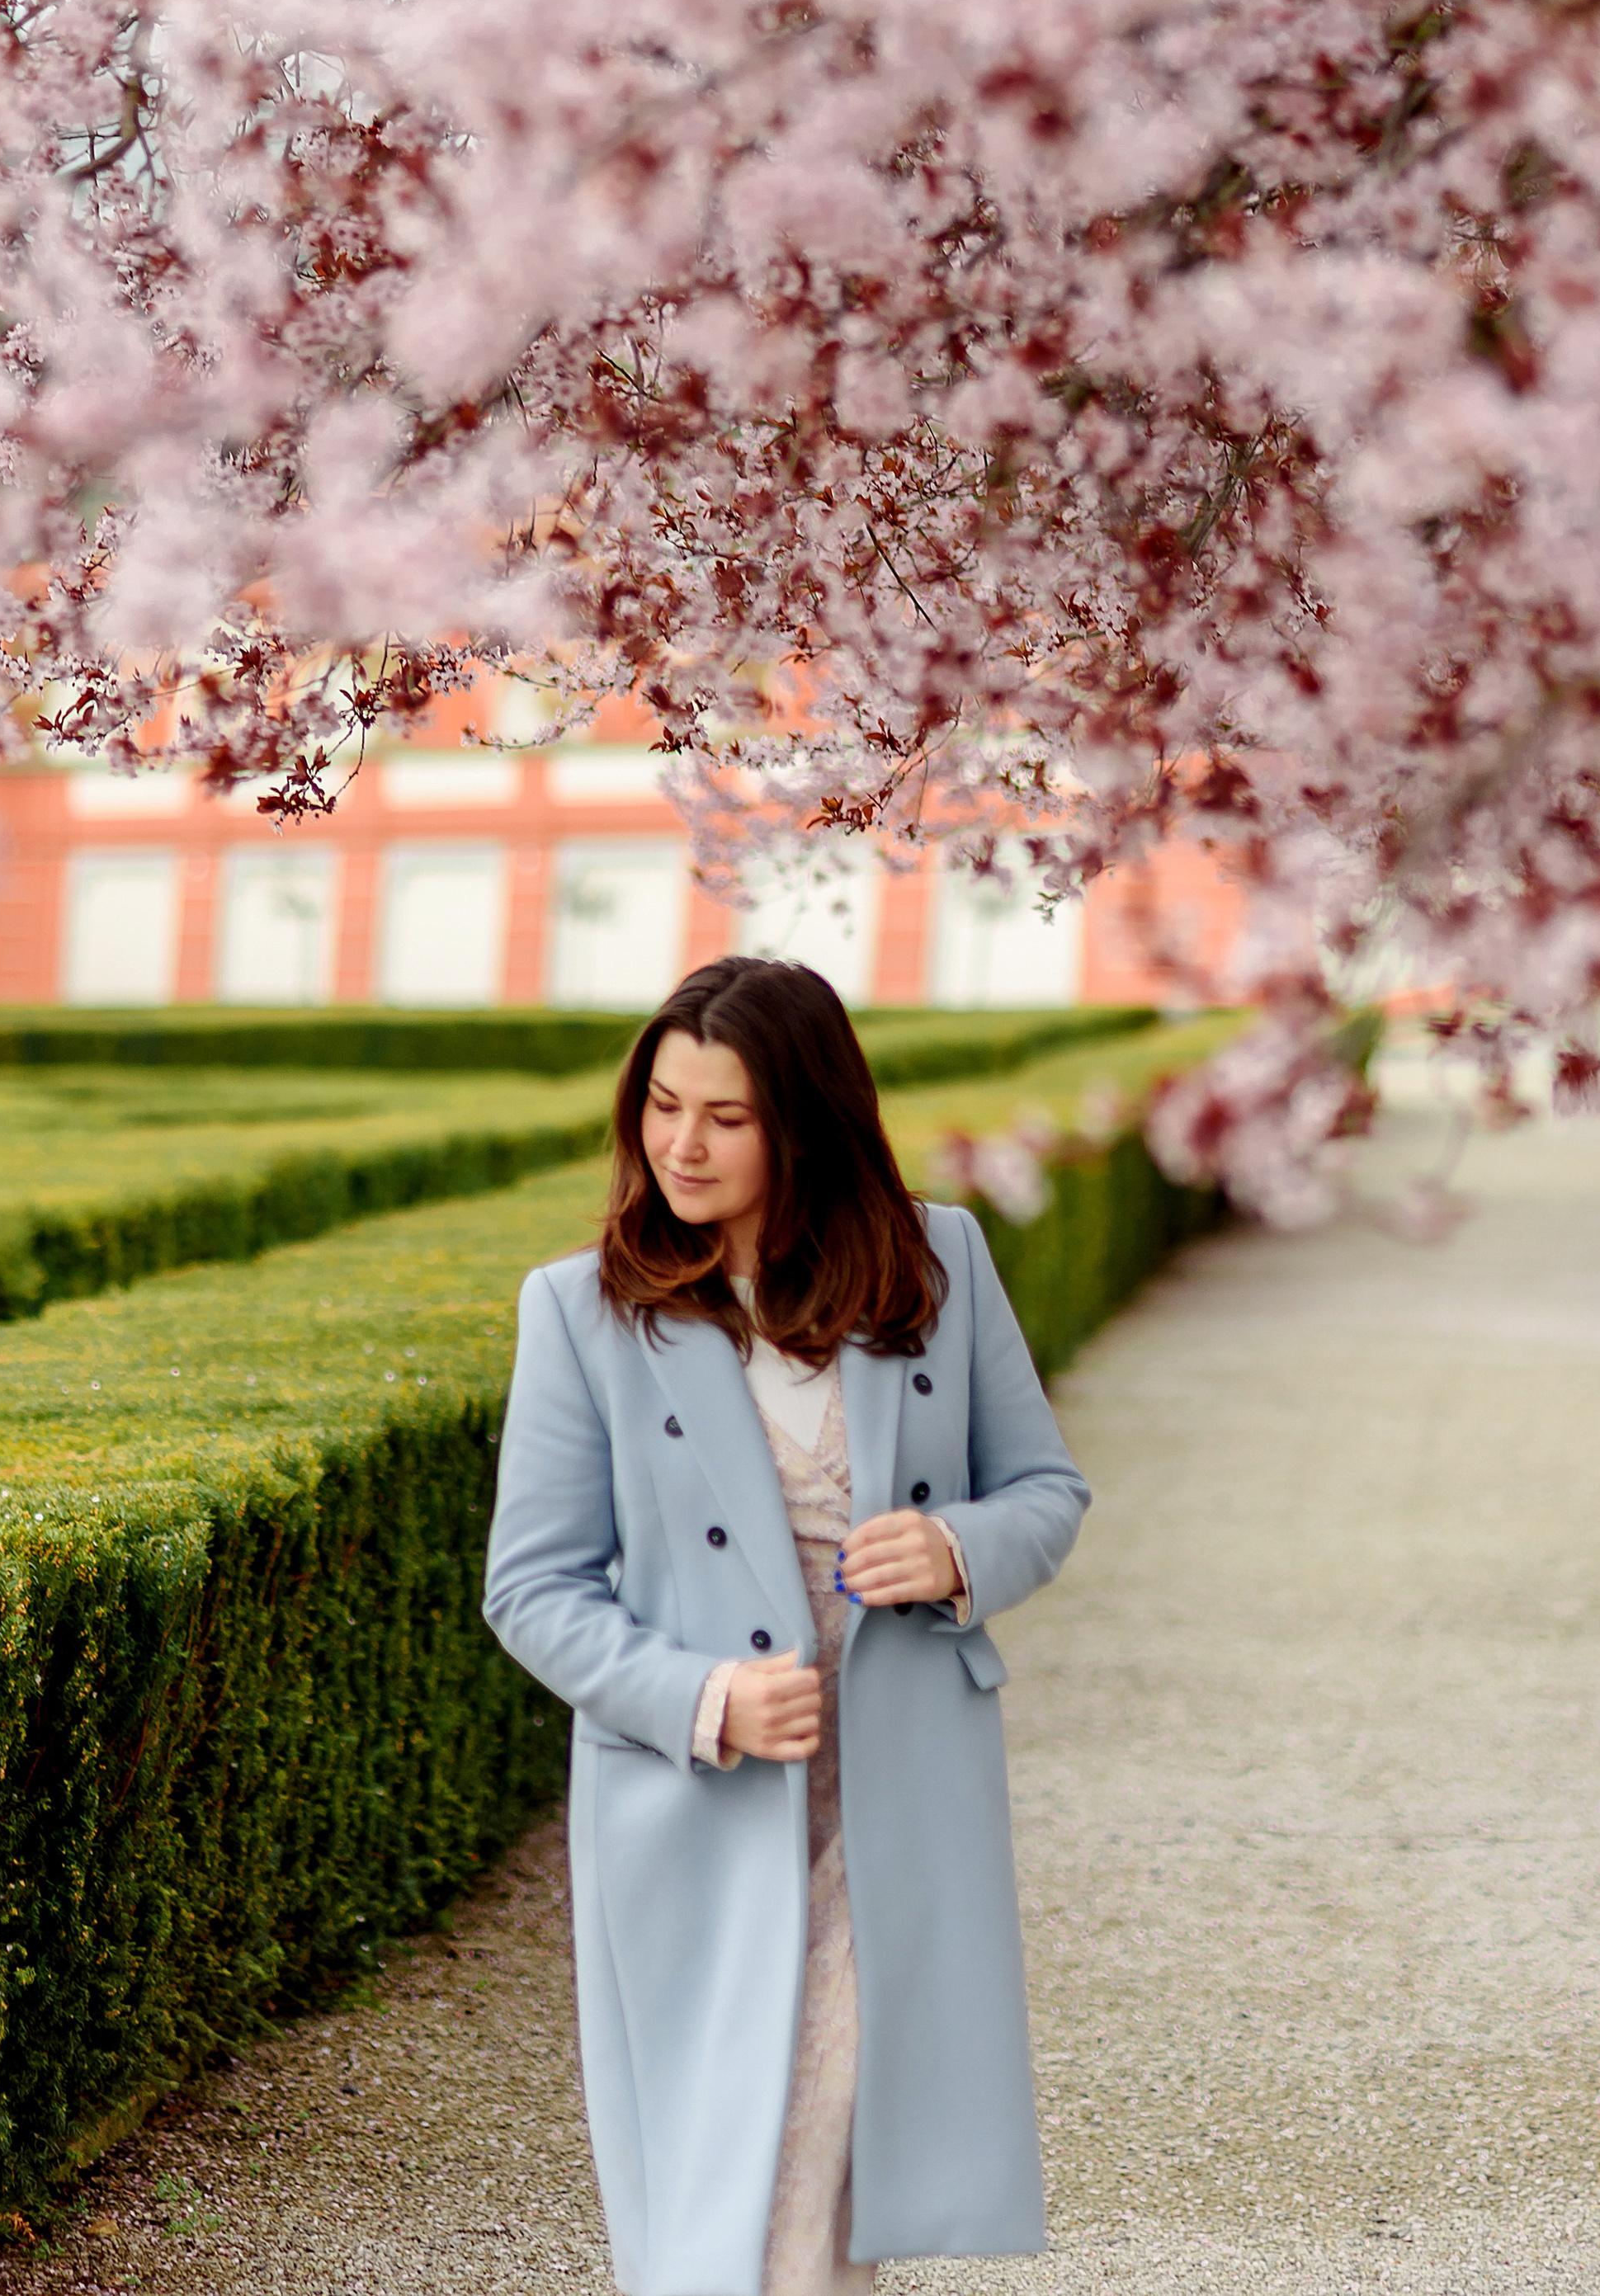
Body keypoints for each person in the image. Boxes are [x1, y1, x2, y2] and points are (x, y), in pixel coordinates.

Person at [483, 955, 1092, 2296]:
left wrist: (954, 1547)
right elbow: (530, 1585)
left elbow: (1047, 1490)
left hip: (900, 1793)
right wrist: (704, 1698)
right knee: (747, 2169)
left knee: (815, 2145)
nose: (681, 1145)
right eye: (662, 1106)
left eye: (726, 1116)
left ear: (806, 1122)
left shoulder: (939, 1263)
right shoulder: (580, 1310)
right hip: (701, 1807)